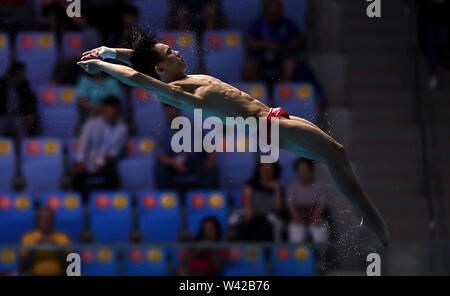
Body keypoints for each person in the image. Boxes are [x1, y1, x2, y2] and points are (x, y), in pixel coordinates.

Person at [77, 30, 388, 245]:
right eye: (171, 52)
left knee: (334, 154)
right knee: (336, 153)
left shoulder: (182, 76)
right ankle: (372, 218)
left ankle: (365, 213)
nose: (177, 51)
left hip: (273, 117)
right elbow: (137, 76)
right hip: (268, 127)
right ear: (162, 67)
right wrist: (103, 65)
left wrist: (109, 51)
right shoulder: (180, 92)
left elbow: (142, 61)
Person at [72, 96, 128, 202]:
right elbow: (83, 143)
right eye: (108, 108)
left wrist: (101, 162)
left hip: (106, 163)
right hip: (87, 161)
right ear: (103, 109)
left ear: (117, 110)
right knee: (76, 176)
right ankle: (83, 204)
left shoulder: (122, 128)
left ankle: (107, 203)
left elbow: (113, 152)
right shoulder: (91, 124)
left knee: (112, 175)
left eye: (113, 109)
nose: (111, 111)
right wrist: (80, 162)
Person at [155, 103, 218, 193]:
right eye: (167, 109)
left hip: (193, 162)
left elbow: (208, 142)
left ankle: (205, 199)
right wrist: (174, 163)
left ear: (179, 109)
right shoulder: (161, 130)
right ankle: (167, 200)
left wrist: (211, 159)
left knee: (210, 168)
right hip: (173, 164)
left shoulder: (192, 125)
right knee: (160, 169)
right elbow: (159, 155)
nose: (170, 112)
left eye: (173, 108)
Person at [243, 0, 305, 82]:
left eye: (277, 13)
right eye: (272, 13)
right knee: (250, 66)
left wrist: (291, 44)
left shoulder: (287, 23)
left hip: (281, 56)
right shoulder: (258, 23)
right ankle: (258, 91)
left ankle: (282, 91)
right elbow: (248, 42)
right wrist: (266, 44)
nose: (275, 16)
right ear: (267, 12)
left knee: (290, 64)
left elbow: (301, 38)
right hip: (261, 56)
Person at [239, 162, 283, 241]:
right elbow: (248, 209)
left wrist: (277, 190)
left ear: (274, 170)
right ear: (259, 169)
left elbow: (278, 208)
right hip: (253, 216)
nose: (267, 171)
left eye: (270, 168)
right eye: (264, 167)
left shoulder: (277, 187)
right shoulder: (250, 185)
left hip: (269, 219)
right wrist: (249, 214)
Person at [19, 208, 71, 276]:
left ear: (53, 220)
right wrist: (36, 247)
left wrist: (57, 248)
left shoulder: (64, 238)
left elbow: (70, 265)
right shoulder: (28, 237)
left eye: (49, 219)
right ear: (38, 220)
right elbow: (22, 264)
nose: (46, 222)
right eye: (43, 219)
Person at [287, 158, 328, 244]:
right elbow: (290, 205)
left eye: (305, 170)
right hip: (298, 217)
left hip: (315, 217)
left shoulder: (319, 186)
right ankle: (298, 257)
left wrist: (316, 217)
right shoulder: (292, 187)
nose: (303, 173)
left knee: (320, 234)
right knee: (296, 233)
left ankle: (321, 257)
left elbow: (322, 204)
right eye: (300, 170)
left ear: (311, 171)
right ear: (297, 172)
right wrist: (296, 217)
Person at [0, 61, 38, 141]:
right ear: (15, 73)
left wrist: (30, 114)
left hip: (19, 115)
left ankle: (21, 149)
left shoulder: (24, 85)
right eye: (22, 73)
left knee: (19, 123)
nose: (23, 76)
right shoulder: (1, 84)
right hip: (3, 115)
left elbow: (31, 101)